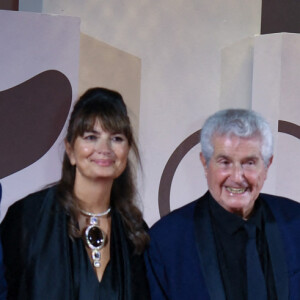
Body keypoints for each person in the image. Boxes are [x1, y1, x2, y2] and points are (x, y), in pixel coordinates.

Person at [1, 87, 150, 299]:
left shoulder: (136, 233)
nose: (104, 148)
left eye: (116, 138)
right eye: (91, 137)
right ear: (70, 150)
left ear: (127, 151)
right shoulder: (28, 218)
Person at [145, 109, 300, 300]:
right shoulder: (166, 241)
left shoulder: (296, 224)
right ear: (205, 163)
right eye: (225, 162)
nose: (237, 177)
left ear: (267, 166)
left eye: (249, 163)